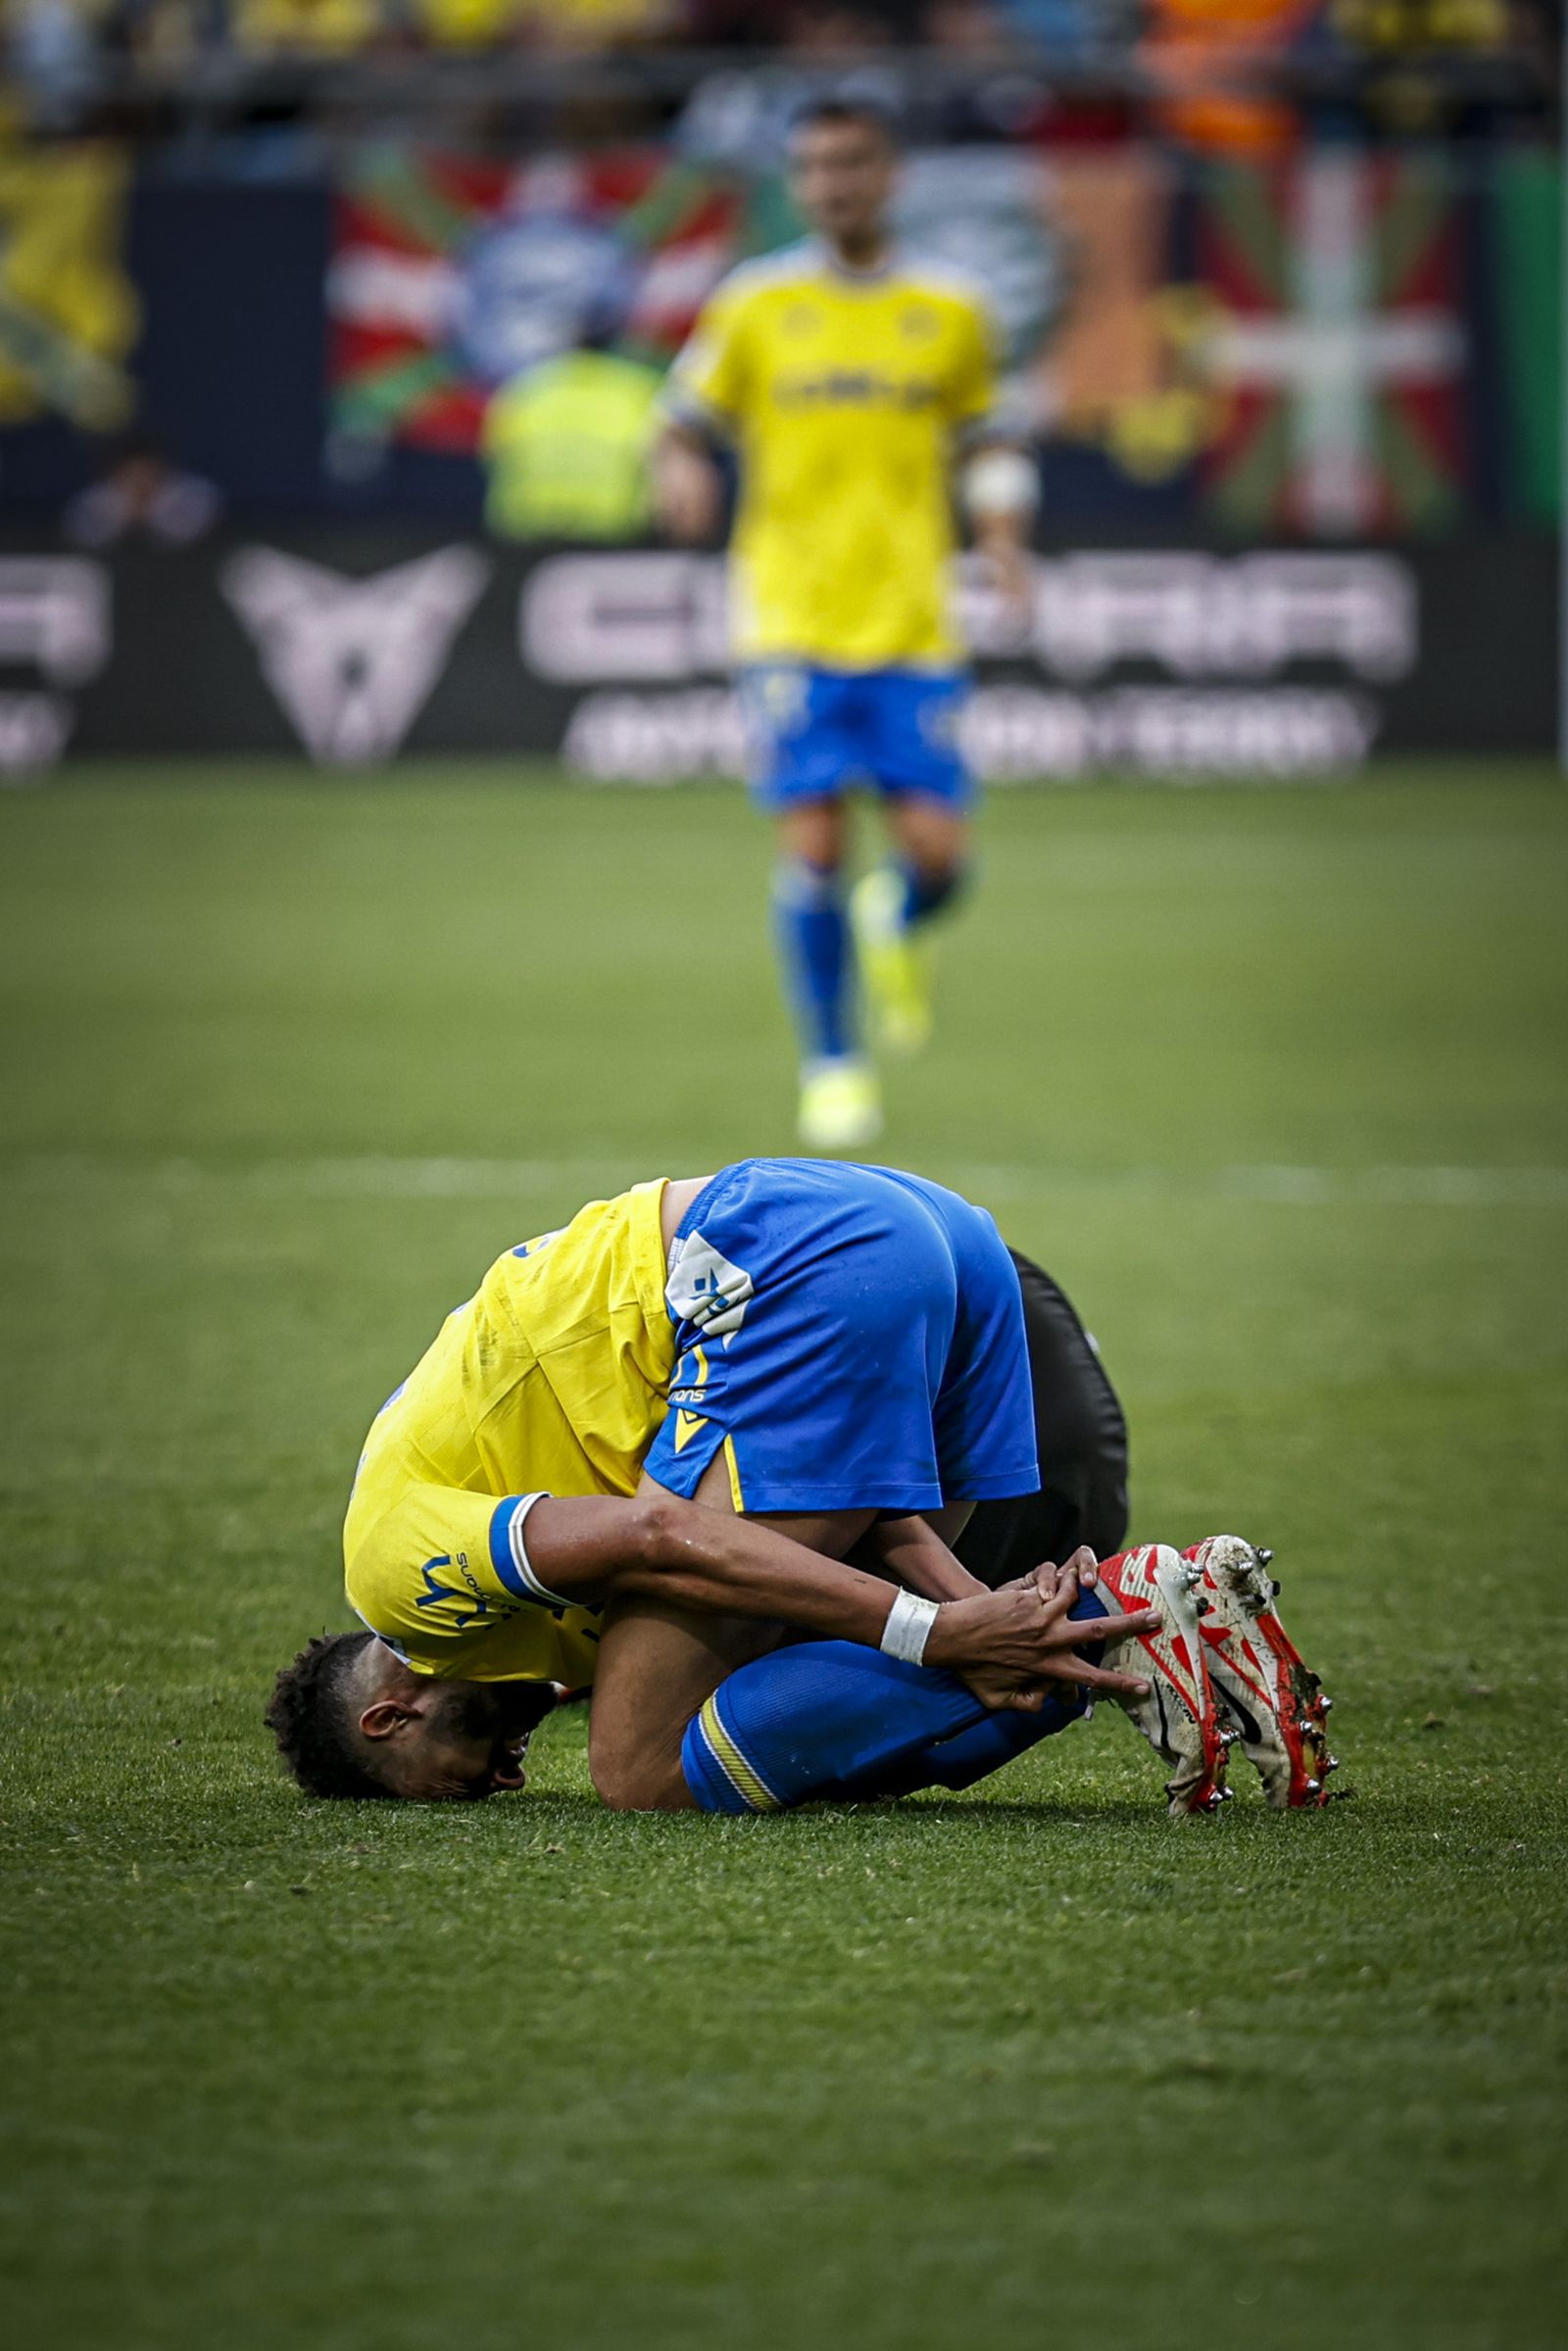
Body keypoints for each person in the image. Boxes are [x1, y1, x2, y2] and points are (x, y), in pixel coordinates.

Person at [267, 1157, 1164, 1801]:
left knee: (638, 1761)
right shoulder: (521, 1624)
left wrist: (935, 1631)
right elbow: (813, 1489)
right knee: (791, 1658)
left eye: (454, 1787)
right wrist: (965, 1604)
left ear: (389, 1718)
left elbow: (657, 1534)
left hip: (783, 1252)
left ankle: (1115, 1619)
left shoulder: (396, 1579)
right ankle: (1123, 1631)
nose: (506, 1779)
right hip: (938, 1241)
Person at [652, 98, 1039, 1151]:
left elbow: (990, 439)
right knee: (814, 838)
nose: (832, 184)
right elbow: (679, 420)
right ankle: (832, 1063)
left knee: (939, 854)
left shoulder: (950, 309)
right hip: (788, 613)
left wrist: (1003, 538)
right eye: (814, 167)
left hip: (913, 619)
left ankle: (897, 915)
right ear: (798, 183)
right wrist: (681, 469)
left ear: (890, 174)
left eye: (851, 163)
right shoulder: (756, 303)